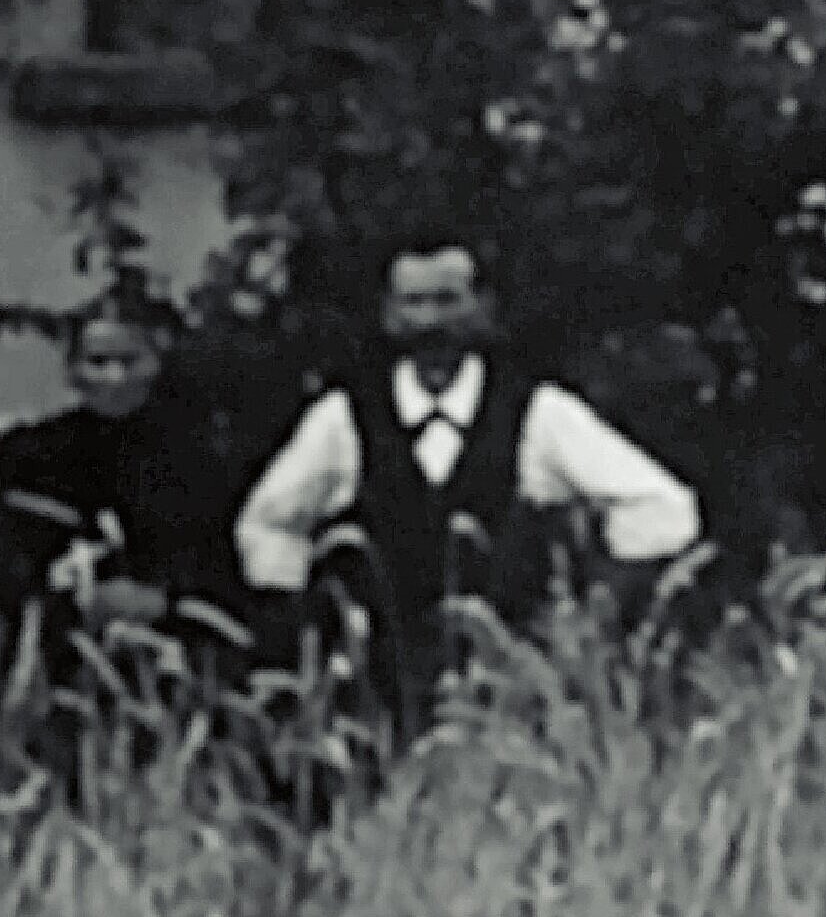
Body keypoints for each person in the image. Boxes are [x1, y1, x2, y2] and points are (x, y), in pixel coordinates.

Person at [233, 228, 699, 728]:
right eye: (413, 303)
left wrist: (596, 610)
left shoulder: (539, 414)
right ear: (388, 314)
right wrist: (302, 627)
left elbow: (663, 507)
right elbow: (267, 524)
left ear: (482, 307)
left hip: (514, 700)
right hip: (380, 702)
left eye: (447, 301)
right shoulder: (344, 419)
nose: (429, 321)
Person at [0, 291, 242, 724]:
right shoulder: (30, 456)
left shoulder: (195, 459)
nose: (114, 377)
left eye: (129, 361)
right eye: (98, 362)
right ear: (71, 371)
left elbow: (218, 570)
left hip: (165, 654)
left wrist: (155, 601)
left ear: (156, 364)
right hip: (52, 654)